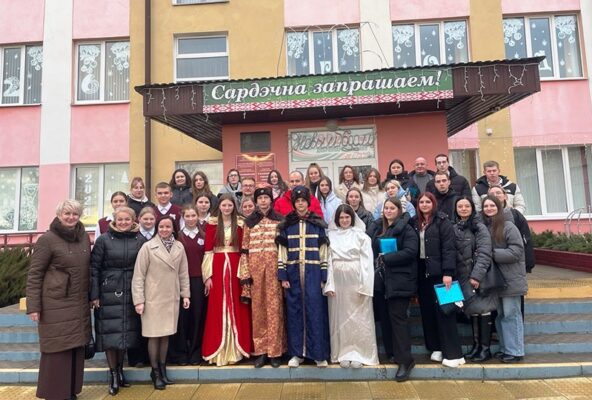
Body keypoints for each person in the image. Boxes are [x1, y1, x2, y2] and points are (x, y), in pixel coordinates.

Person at [26, 199, 91, 400]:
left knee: (75, 347)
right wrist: (33, 306)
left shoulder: (83, 237)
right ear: (59, 215)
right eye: (67, 214)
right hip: (56, 303)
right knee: (57, 349)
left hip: (78, 301)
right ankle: (54, 393)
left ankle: (70, 391)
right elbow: (35, 274)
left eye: (75, 214)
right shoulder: (47, 239)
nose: (71, 217)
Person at [91, 206, 145, 395]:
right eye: (120, 219)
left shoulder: (140, 240)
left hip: (131, 290)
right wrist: (94, 294)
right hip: (108, 292)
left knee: (124, 334)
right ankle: (113, 374)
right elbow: (94, 268)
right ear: (114, 220)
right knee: (110, 335)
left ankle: (121, 371)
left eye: (127, 219)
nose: (123, 223)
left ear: (133, 220)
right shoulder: (103, 240)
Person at [132, 216, 190, 390]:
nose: (165, 230)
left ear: (173, 228)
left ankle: (163, 370)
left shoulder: (179, 246)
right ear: (157, 228)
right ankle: (155, 372)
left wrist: (185, 295)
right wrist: (139, 301)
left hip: (171, 297)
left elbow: (183, 273)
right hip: (153, 298)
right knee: (154, 335)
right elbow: (138, 276)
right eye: (162, 227)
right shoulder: (148, 247)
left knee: (166, 335)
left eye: (168, 227)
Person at [277, 186, 330, 368]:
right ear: (294, 204)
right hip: (292, 274)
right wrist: (283, 275)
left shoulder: (318, 224)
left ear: (308, 203)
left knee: (315, 312)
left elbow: (324, 252)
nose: (300, 204)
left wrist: (323, 275)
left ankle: (318, 354)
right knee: (294, 313)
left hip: (313, 274)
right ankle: (296, 354)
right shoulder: (286, 225)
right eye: (297, 201)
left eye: (303, 201)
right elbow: (282, 252)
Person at [367, 197, 418, 382]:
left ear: (399, 210)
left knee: (398, 321)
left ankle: (406, 360)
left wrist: (387, 258)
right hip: (380, 281)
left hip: (399, 280)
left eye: (392, 208)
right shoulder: (377, 227)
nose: (388, 211)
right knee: (386, 319)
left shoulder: (407, 229)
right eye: (386, 208)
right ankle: (392, 353)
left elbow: (411, 252)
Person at [324, 204, 379, 369]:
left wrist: (365, 285)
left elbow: (367, 262)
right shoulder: (330, 236)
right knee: (339, 318)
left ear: (352, 218)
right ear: (336, 219)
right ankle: (342, 353)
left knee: (359, 317)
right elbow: (327, 260)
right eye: (341, 217)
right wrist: (329, 284)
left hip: (356, 280)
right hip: (338, 282)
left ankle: (360, 353)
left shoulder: (361, 236)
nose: (344, 220)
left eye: (347, 217)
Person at [201, 194, 253, 366]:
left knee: (238, 305)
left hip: (236, 266)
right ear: (219, 206)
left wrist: (244, 272)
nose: (227, 208)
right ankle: (219, 349)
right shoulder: (212, 224)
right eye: (224, 205)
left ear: (234, 206)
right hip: (217, 267)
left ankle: (237, 349)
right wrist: (207, 276)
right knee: (217, 306)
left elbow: (244, 249)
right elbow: (208, 251)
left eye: (230, 205)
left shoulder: (241, 223)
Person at [415, 192, 464, 368]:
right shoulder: (415, 222)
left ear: (433, 203)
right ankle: (435, 347)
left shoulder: (442, 221)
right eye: (421, 202)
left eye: (428, 202)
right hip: (422, 273)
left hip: (441, 274)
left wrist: (448, 272)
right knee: (427, 312)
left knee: (446, 312)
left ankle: (454, 354)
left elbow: (449, 248)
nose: (424, 204)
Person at [239, 187, 286, 368]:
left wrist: (284, 272)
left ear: (270, 200)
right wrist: (245, 274)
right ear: (256, 201)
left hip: (274, 272)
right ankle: (261, 351)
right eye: (260, 198)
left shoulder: (279, 220)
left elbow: (284, 249)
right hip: (255, 274)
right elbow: (244, 250)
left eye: (266, 197)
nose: (263, 201)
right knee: (258, 312)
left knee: (275, 311)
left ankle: (275, 352)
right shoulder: (249, 222)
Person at [481, 195, 527, 363]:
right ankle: (505, 348)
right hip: (497, 280)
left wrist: (492, 254)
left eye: (492, 205)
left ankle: (516, 351)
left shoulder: (508, 226)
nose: (489, 208)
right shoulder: (486, 227)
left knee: (511, 314)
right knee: (500, 315)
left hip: (511, 279)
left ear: (499, 207)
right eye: (486, 206)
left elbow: (516, 251)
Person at [452, 196, 497, 363]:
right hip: (463, 277)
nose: (463, 209)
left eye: (467, 206)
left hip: (478, 276)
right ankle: (476, 347)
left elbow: (485, 253)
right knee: (473, 310)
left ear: (472, 208)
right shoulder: (455, 227)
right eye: (460, 206)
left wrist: (476, 276)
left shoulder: (479, 227)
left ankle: (485, 349)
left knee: (483, 310)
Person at [168, 205, 208, 366]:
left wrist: (207, 278)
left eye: (193, 216)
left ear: (198, 217)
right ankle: (181, 353)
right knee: (182, 318)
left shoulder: (204, 235)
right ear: (183, 218)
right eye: (188, 216)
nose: (191, 219)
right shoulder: (177, 237)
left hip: (199, 281)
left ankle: (196, 352)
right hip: (180, 281)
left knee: (198, 316)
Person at [488, 185, 535, 273]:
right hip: (489, 265)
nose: (495, 195)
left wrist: (528, 263)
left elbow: (525, 239)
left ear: (505, 196)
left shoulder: (515, 215)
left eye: (498, 193)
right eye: (492, 194)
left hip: (512, 264)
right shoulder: (482, 216)